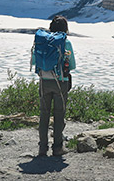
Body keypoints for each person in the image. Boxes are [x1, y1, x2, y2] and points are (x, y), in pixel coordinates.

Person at [33, 15, 76, 157]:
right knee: (59, 114)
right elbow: (72, 65)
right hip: (60, 81)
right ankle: (57, 147)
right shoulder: (65, 42)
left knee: (44, 114)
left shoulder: (42, 41)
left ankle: (42, 148)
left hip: (44, 81)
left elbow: (34, 61)